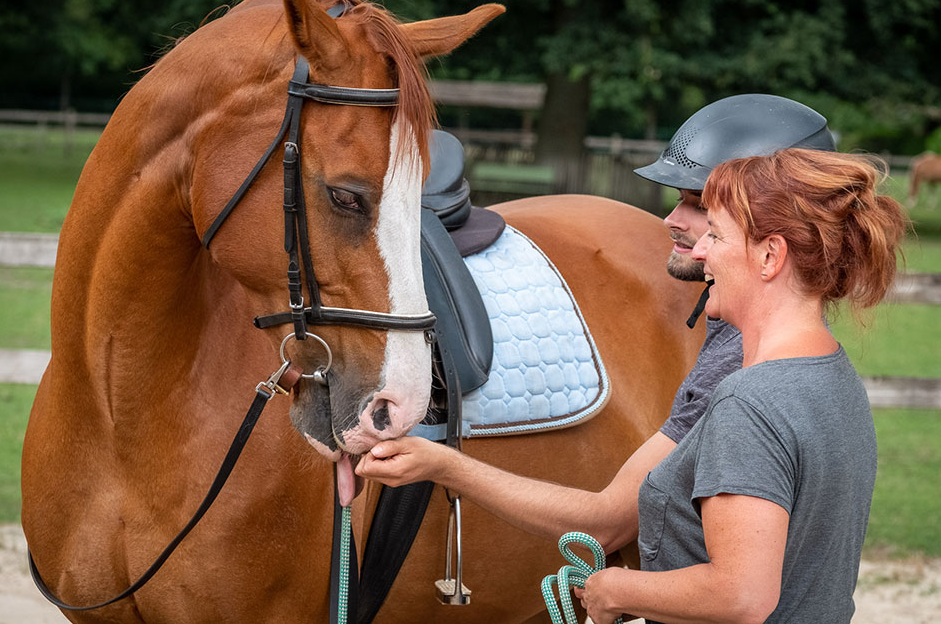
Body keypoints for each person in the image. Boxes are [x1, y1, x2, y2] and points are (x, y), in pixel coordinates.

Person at [355, 94, 836, 552]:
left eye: (700, 207)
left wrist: (445, 465)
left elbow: (613, 525)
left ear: (775, 238)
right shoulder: (816, 364)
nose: (670, 219)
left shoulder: (743, 378)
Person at [576, 148, 907, 624]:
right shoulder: (833, 373)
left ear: (770, 256)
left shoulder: (748, 401)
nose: (702, 250)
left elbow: (740, 595)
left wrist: (615, 588)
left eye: (715, 234)